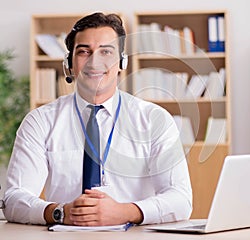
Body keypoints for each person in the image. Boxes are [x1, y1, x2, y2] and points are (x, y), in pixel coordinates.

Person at [3, 12, 192, 226]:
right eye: (84, 51)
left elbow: (181, 199)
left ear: (122, 62)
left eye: (106, 52)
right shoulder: (40, 122)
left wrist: (126, 212)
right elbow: (13, 199)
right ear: (69, 63)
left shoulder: (154, 120)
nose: (95, 61)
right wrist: (60, 212)